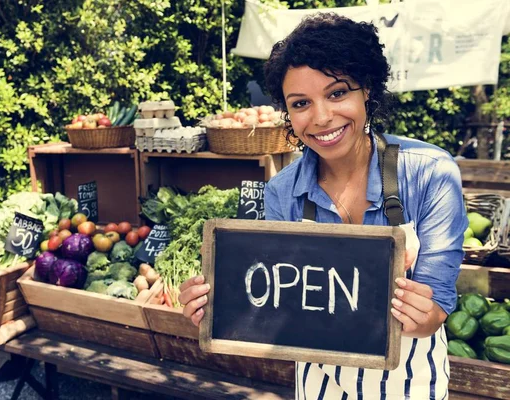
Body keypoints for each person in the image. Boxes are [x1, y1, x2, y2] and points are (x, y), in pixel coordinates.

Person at [179, 13, 466, 399]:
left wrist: (423, 315)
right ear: (288, 113)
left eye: (337, 93)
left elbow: (436, 309)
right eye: (301, 103)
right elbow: (284, 307)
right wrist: (222, 306)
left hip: (408, 382)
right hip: (318, 383)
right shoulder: (283, 191)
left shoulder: (429, 174)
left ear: (367, 89)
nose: (321, 117)